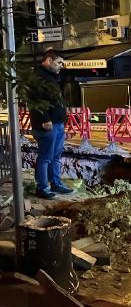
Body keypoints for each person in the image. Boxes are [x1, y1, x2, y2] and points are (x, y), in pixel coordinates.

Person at [30, 50, 73, 199]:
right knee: (46, 157)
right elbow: (35, 100)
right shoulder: (38, 77)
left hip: (57, 123)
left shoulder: (52, 77)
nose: (62, 65)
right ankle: (42, 187)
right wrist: (44, 119)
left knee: (55, 156)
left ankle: (56, 183)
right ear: (48, 60)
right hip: (47, 125)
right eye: (59, 62)